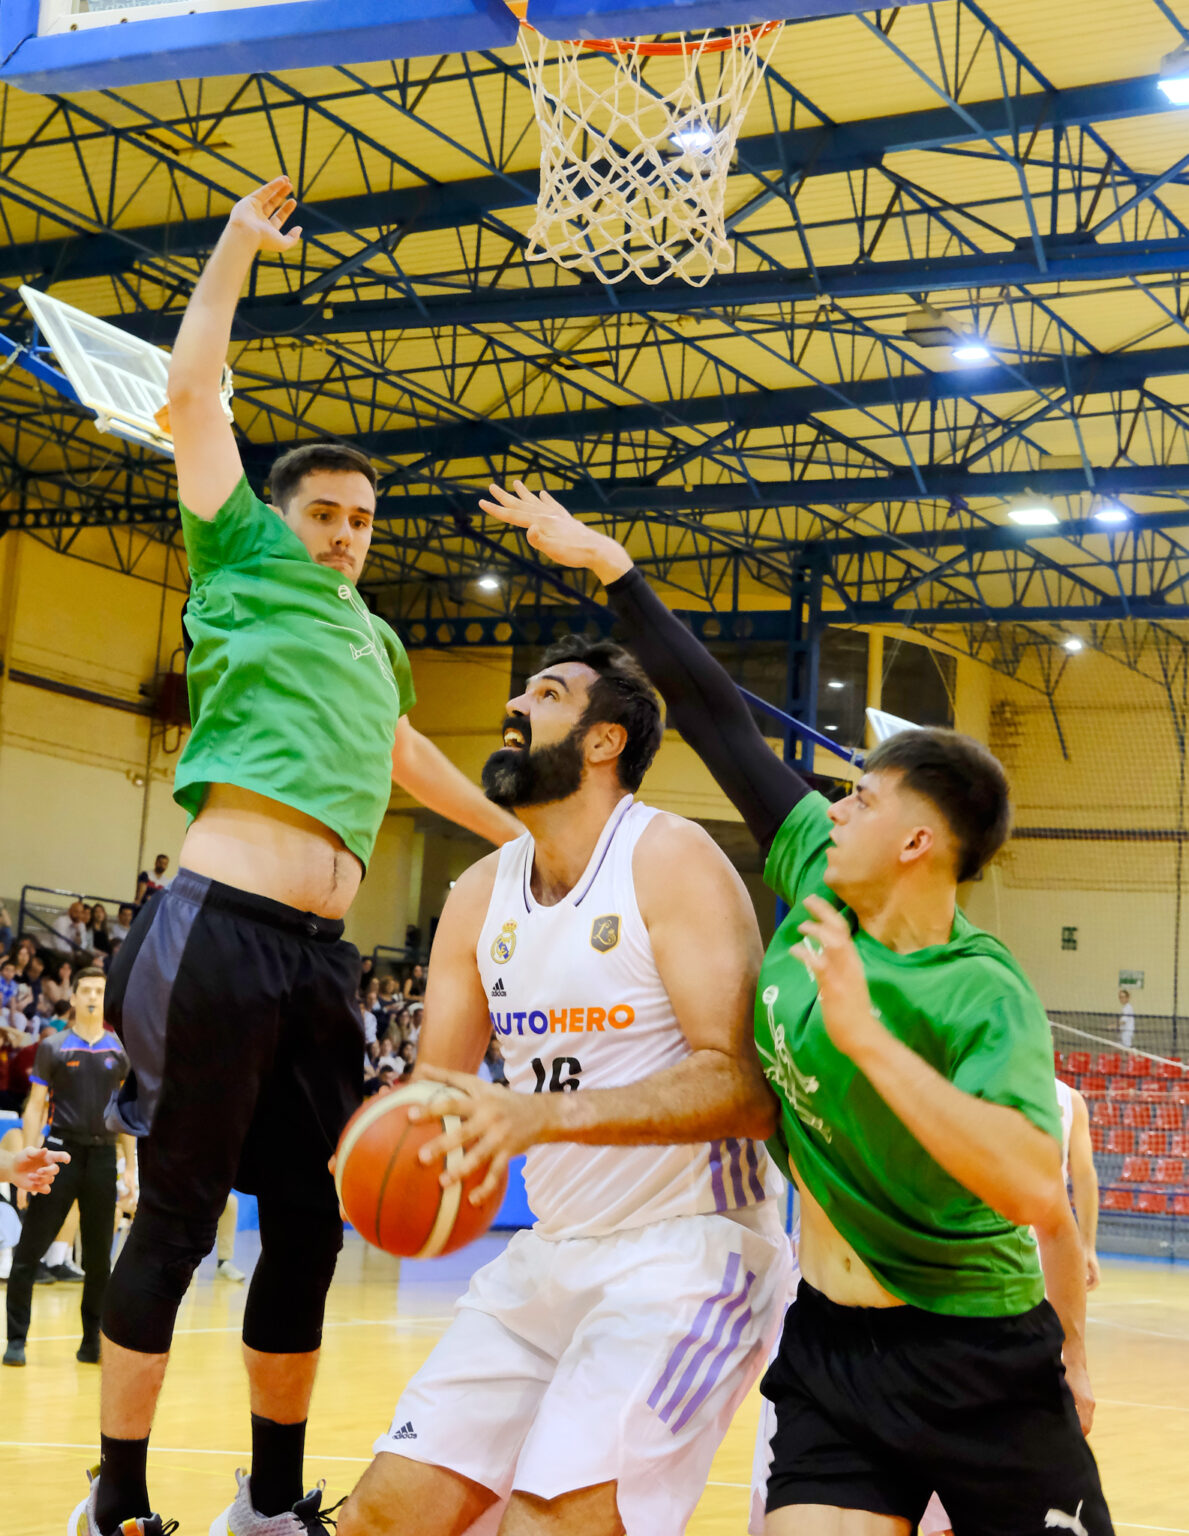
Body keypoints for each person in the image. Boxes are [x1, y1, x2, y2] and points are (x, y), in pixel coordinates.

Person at [481, 482, 1113, 1536]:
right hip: (830, 1351)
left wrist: (866, 1036)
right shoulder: (817, 862)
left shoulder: (979, 991)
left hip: (977, 1355)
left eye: (863, 797)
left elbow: (1029, 1190)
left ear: (918, 844)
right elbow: (721, 718)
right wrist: (613, 568)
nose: (837, 802)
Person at [74, 174, 521, 1536]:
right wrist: (234, 253)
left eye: (364, 521)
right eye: (327, 513)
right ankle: (120, 1502)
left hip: (322, 962)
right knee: (176, 1217)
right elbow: (195, 394)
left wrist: (539, 840)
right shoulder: (242, 556)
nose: (346, 535)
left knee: (313, 1230)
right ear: (283, 513)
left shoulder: (372, 638)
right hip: (216, 926)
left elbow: (403, 758)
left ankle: (268, 1507)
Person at [338, 634, 791, 1536]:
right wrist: (377, 1146)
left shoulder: (671, 858)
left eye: (544, 695)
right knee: (379, 1520)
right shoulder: (475, 893)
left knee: (548, 1527)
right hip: (547, 1255)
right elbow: (440, 1099)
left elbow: (742, 1087)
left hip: (689, 1255)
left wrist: (539, 1117)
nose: (513, 708)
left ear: (602, 741)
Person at [4, 967, 134, 1369]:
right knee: (28, 1252)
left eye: (100, 990)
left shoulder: (120, 1051)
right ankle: (16, 1340)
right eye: (87, 990)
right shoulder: (54, 1046)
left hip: (102, 1155)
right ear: (74, 998)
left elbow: (127, 1115)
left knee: (99, 1259)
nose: (94, 996)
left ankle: (91, 1342)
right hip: (59, 1151)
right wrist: (29, 1154)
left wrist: (131, 1168)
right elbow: (34, 1107)